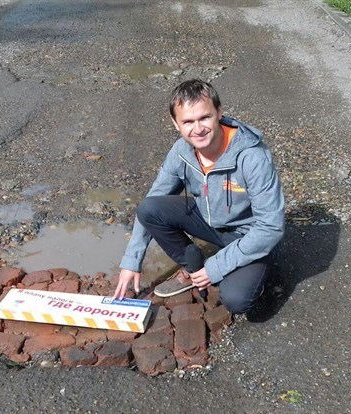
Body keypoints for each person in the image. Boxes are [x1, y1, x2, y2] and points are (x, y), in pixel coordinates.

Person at [112, 79, 284, 314]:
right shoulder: (181, 151)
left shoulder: (252, 158)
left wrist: (216, 267)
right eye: (188, 122)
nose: (198, 129)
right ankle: (194, 270)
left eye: (204, 117)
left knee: (236, 300)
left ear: (219, 111)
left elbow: (271, 227)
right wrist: (132, 260)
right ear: (176, 123)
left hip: (248, 234)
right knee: (149, 209)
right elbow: (154, 200)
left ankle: (238, 275)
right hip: (208, 219)